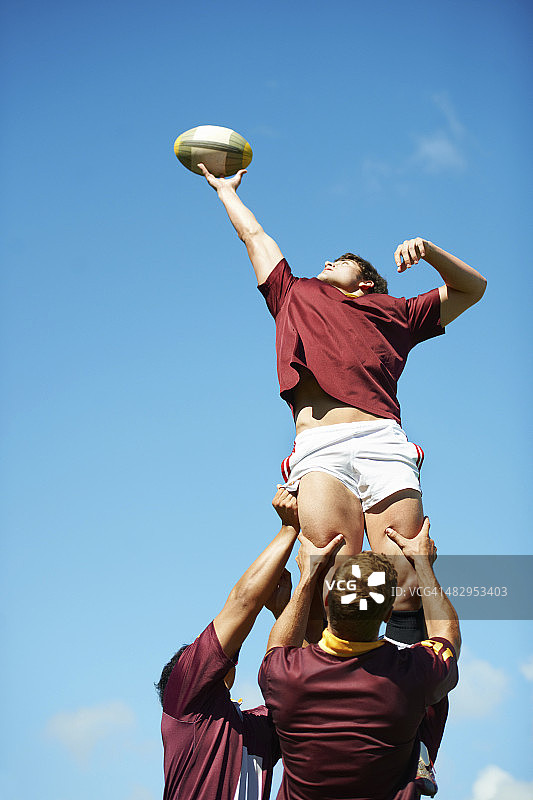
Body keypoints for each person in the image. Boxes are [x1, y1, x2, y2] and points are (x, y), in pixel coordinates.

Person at [198, 163, 486, 645]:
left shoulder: (396, 312)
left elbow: (472, 288)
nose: (328, 260)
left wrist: (430, 250)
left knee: (403, 579)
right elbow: (254, 235)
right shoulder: (293, 292)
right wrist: (226, 192)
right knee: (331, 574)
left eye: (344, 259)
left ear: (367, 283)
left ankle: (416, 694)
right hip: (321, 447)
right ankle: (318, 690)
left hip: (381, 443)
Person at [156, 487, 342, 800]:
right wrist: (289, 529)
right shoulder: (184, 699)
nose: (223, 653)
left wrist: (287, 608)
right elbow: (242, 604)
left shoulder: (254, 728)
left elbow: (310, 682)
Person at [259, 517, 460, 799]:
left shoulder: (284, 676)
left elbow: (280, 644)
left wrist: (308, 576)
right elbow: (447, 636)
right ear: (388, 615)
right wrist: (423, 563)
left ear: (328, 603)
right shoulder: (412, 675)